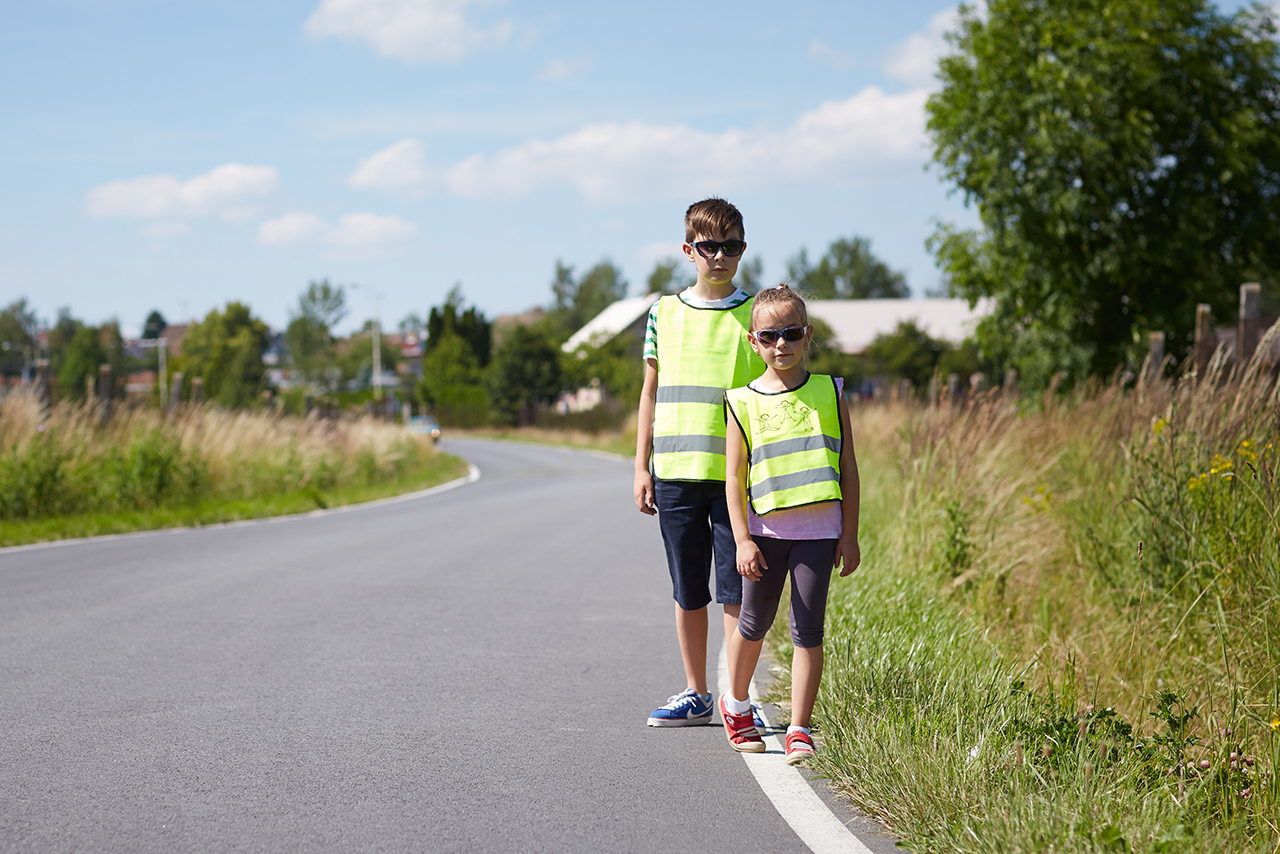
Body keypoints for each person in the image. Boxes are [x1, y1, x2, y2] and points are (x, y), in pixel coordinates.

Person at [635, 198, 766, 727]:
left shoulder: (756, 315)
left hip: (736, 479)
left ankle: (738, 697)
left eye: (730, 246)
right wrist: (640, 467)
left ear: (741, 251)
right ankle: (696, 693)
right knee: (689, 589)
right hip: (674, 474)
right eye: (709, 246)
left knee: (736, 592)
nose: (720, 256)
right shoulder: (662, 312)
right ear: (689, 250)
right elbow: (649, 392)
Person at [720, 284, 861, 763]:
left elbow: (849, 469)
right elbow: (734, 478)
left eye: (791, 333)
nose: (782, 344)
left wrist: (850, 532)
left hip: (820, 533)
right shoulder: (740, 401)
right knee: (754, 624)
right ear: (753, 342)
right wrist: (741, 539)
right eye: (770, 335)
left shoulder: (830, 390)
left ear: (807, 335)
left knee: (809, 632)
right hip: (764, 535)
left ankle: (799, 728)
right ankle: (736, 705)